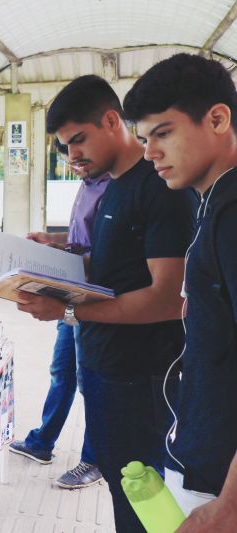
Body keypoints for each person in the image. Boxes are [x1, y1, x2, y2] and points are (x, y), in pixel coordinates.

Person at [17, 74, 193, 531]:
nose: (72, 155)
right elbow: (113, 264)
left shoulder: (158, 189)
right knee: (121, 489)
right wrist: (53, 258)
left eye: (79, 140)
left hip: (140, 378)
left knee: (144, 496)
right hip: (104, 368)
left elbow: (167, 298)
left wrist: (69, 311)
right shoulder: (114, 184)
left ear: (112, 121)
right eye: (65, 145)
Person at [123, 53, 237, 531]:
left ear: (217, 118)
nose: (150, 154)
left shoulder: (232, 215)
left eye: (163, 133)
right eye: (144, 139)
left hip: (219, 484)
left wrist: (228, 507)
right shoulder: (209, 201)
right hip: (203, 458)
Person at [9, 139, 109, 490]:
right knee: (61, 369)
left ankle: (94, 459)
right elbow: (82, 239)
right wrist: (53, 241)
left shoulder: (118, 186)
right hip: (71, 288)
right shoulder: (87, 186)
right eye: (66, 155)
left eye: (79, 149)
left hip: (90, 300)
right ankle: (42, 442)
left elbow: (109, 253)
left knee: (89, 381)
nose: (73, 161)